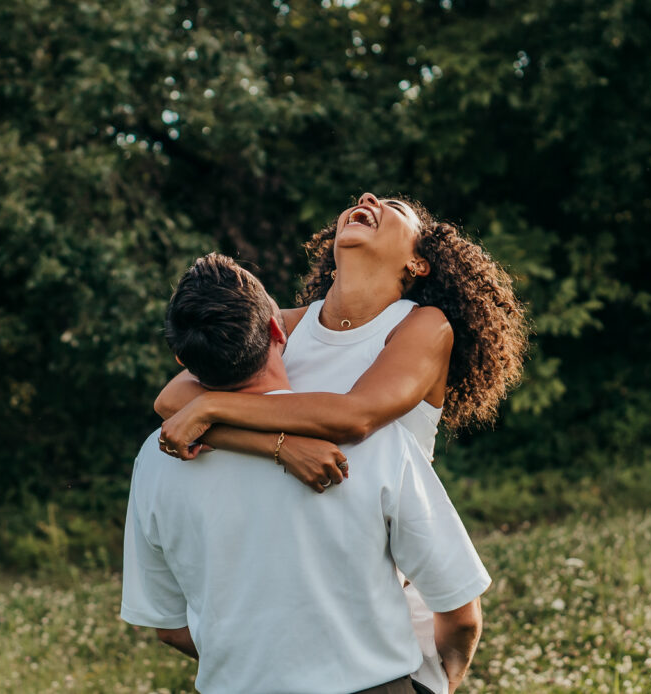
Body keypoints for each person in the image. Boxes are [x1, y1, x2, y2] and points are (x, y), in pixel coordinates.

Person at [153, 193, 527, 691]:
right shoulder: (287, 325)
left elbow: (357, 415)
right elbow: (172, 398)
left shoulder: (422, 326)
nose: (367, 199)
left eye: (392, 204)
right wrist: (278, 447)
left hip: (387, 617)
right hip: (292, 603)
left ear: (418, 260)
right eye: (362, 199)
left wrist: (214, 408)